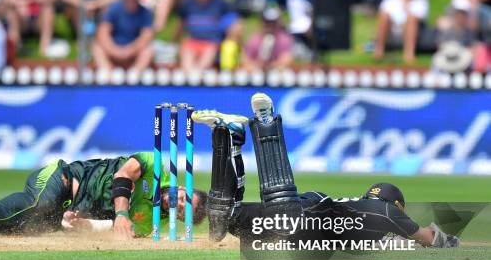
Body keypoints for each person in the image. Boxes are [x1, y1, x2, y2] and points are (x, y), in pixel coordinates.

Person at [191, 93, 460, 250]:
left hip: (298, 217)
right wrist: (449, 241)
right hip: (293, 223)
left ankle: (227, 137)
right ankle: (266, 123)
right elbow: (429, 238)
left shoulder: (357, 208)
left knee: (224, 220)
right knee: (280, 211)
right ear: (395, 206)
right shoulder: (385, 212)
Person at [0, 152, 208, 238]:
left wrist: (79, 225)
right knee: (41, 202)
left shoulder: (149, 223)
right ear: (183, 187)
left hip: (66, 208)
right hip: (61, 176)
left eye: (183, 213)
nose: (178, 205)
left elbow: (104, 229)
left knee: (24, 228)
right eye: (184, 199)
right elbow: (123, 176)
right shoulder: (156, 165)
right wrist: (120, 213)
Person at [176, 0, 239, 72]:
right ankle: (191, 78)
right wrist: (175, 41)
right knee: (187, 55)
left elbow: (233, 23)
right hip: (192, 42)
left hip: (212, 43)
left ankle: (197, 77)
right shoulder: (187, 4)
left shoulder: (221, 4)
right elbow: (180, 24)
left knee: (208, 54)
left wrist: (230, 39)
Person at [92, 0, 154, 72]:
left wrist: (129, 51)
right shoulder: (113, 9)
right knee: (97, 47)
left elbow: (146, 37)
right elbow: (103, 33)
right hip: (113, 50)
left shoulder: (146, 13)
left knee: (148, 51)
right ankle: (107, 76)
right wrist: (114, 50)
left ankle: (134, 77)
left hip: (133, 53)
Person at [373, 0, 433, 65]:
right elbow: (381, 16)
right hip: (392, 29)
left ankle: (409, 53)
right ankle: (378, 50)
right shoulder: (389, 1)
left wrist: (405, 4)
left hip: (413, 30)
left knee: (411, 19)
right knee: (385, 16)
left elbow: (420, 19)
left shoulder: (419, 2)